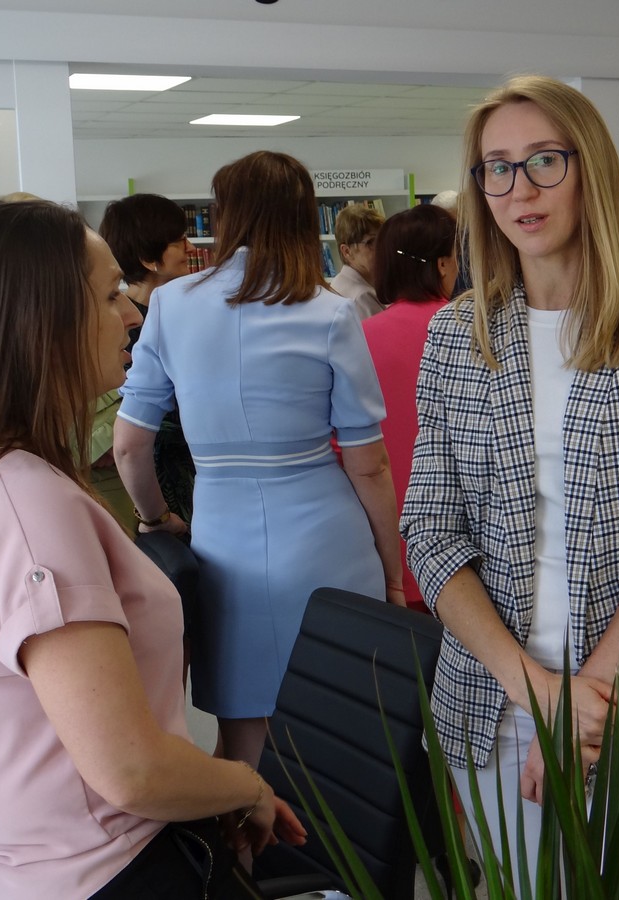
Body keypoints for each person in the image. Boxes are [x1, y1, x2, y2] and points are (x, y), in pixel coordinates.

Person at [400, 75, 619, 894]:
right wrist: (538, 696)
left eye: (544, 161)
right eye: (497, 167)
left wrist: (589, 702)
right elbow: (430, 532)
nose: (520, 189)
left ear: (589, 169)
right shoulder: (458, 335)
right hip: (496, 699)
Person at [0, 200, 304, 900]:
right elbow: (131, 770)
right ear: (43, 322)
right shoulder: (27, 505)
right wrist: (243, 784)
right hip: (106, 869)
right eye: (108, 294)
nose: (131, 314)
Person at [115, 151, 405, 772]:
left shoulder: (170, 305)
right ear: (304, 219)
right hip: (327, 536)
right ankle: (337, 866)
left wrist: (156, 517)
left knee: (242, 740)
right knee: (343, 737)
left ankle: (249, 861)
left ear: (225, 217)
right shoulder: (329, 311)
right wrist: (391, 573)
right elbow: (370, 466)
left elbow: (129, 445)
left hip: (224, 537)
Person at [363, 204, 458, 614]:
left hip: (384, 532)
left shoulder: (359, 336)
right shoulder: (472, 332)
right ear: (441, 264)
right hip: (462, 538)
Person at [99, 193, 198, 525]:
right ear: (147, 256)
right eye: (177, 240)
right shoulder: (122, 326)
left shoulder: (189, 313)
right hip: (151, 485)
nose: (191, 247)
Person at [330, 202, 385, 319]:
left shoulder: (338, 282)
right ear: (347, 251)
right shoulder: (362, 296)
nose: (380, 247)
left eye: (381, 239)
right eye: (370, 242)